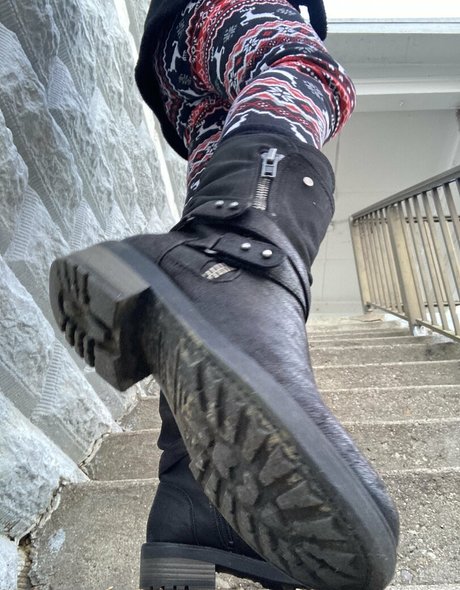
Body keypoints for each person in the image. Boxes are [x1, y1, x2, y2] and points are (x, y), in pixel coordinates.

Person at [49, 0, 399, 588]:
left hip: (187, 71)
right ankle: (232, 255)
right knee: (304, 68)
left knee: (219, 325)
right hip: (220, 15)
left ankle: (195, 500)